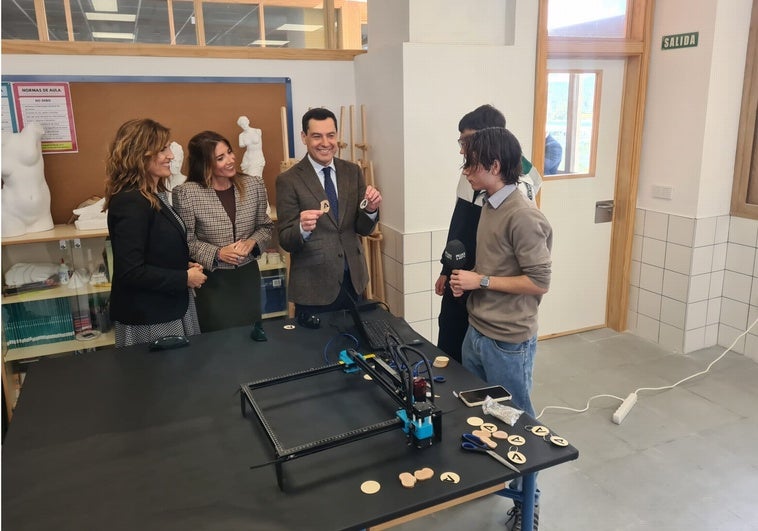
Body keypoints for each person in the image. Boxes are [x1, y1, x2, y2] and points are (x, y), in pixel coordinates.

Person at [449, 127, 552, 531]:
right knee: (483, 414)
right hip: (478, 330)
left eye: (472, 164)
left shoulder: (524, 215)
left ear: (494, 166)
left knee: (518, 422)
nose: (466, 172)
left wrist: (482, 282)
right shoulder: (489, 203)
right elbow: (496, 264)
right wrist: (470, 278)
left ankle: (529, 500)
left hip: (509, 340)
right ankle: (492, 478)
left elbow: (539, 281)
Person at [435, 104, 542, 363]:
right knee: (449, 344)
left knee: (489, 377)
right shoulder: (471, 172)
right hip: (463, 276)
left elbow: (531, 271)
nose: (462, 150)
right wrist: (446, 269)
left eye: (467, 141)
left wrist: (482, 281)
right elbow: (459, 223)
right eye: (461, 141)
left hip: (490, 289)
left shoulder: (521, 182)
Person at [104, 118, 206, 348]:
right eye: (162, 149)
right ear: (140, 154)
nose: (170, 155)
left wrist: (183, 266)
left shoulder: (152, 195)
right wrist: (184, 278)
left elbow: (155, 250)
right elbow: (131, 271)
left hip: (169, 307)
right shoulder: (130, 201)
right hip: (150, 318)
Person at [276, 107, 382, 327]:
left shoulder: (352, 172)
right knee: (315, 353)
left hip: (354, 281)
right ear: (304, 137)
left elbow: (362, 229)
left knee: (356, 346)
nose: (325, 142)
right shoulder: (289, 180)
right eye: (317, 136)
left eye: (330, 135)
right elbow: (286, 239)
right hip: (313, 287)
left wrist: (371, 209)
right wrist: (302, 228)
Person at [172, 130, 274, 341]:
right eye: (220, 158)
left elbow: (265, 227)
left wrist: (252, 242)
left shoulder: (253, 185)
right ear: (204, 163)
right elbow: (186, 241)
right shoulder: (187, 193)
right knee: (218, 346)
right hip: (212, 282)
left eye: (229, 152)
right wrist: (217, 253)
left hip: (247, 278)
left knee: (251, 341)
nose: (230, 160)